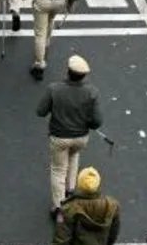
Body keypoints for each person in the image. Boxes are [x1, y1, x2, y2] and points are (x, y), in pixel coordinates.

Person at [37, 55, 102, 213]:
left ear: (68, 71)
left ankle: (59, 207)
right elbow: (97, 121)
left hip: (59, 137)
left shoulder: (54, 89)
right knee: (73, 157)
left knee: (58, 170)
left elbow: (40, 111)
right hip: (80, 138)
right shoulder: (92, 92)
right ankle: (70, 189)